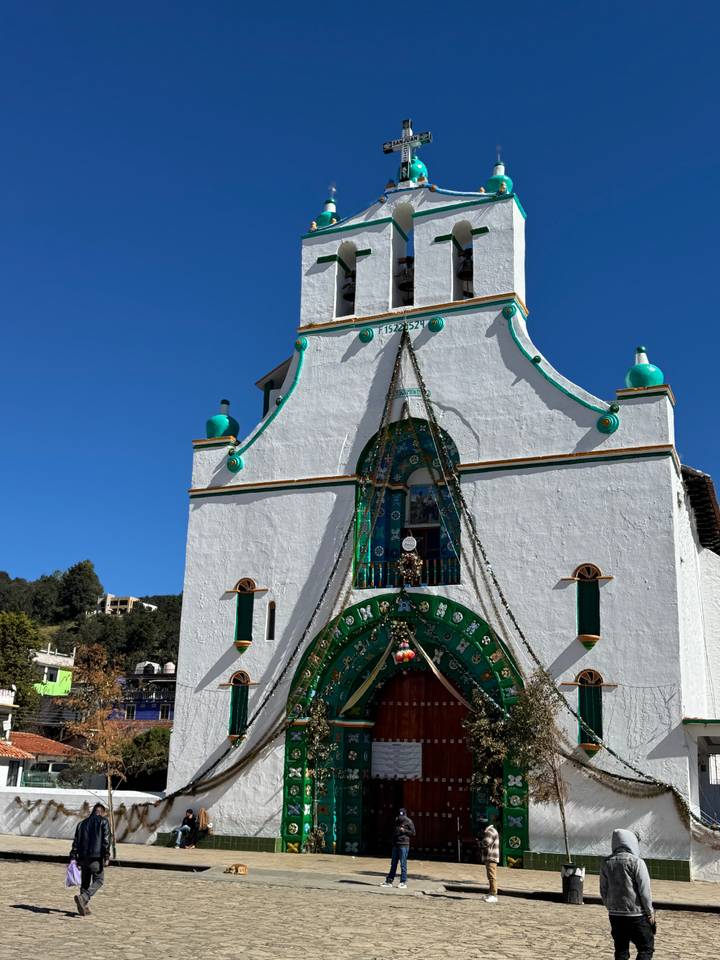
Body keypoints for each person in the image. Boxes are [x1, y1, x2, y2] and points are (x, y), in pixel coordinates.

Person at [599, 829, 656, 960]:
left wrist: (611, 907)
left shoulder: (606, 863)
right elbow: (644, 891)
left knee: (621, 951)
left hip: (615, 915)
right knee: (646, 948)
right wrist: (650, 911)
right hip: (636, 914)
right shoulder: (637, 862)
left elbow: (603, 890)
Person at [69, 802, 111, 917]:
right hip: (96, 858)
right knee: (99, 880)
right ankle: (84, 898)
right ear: (101, 812)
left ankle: (84, 906)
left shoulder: (82, 824)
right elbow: (106, 840)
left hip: (83, 858)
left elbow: (76, 842)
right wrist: (106, 856)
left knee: (85, 883)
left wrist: (73, 857)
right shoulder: (103, 821)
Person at [381, 807, 416, 889]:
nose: (401, 819)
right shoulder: (396, 820)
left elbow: (413, 833)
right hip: (396, 845)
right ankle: (389, 881)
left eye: (402, 817)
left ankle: (403, 882)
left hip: (404, 845)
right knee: (393, 864)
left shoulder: (409, 821)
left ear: (405, 815)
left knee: (403, 864)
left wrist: (404, 831)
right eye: (400, 817)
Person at [478, 816, 500, 903]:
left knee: (491, 876)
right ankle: (491, 893)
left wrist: (478, 843)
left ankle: (493, 894)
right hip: (491, 856)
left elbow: (486, 842)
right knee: (490, 876)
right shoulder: (491, 830)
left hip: (491, 856)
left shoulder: (489, 832)